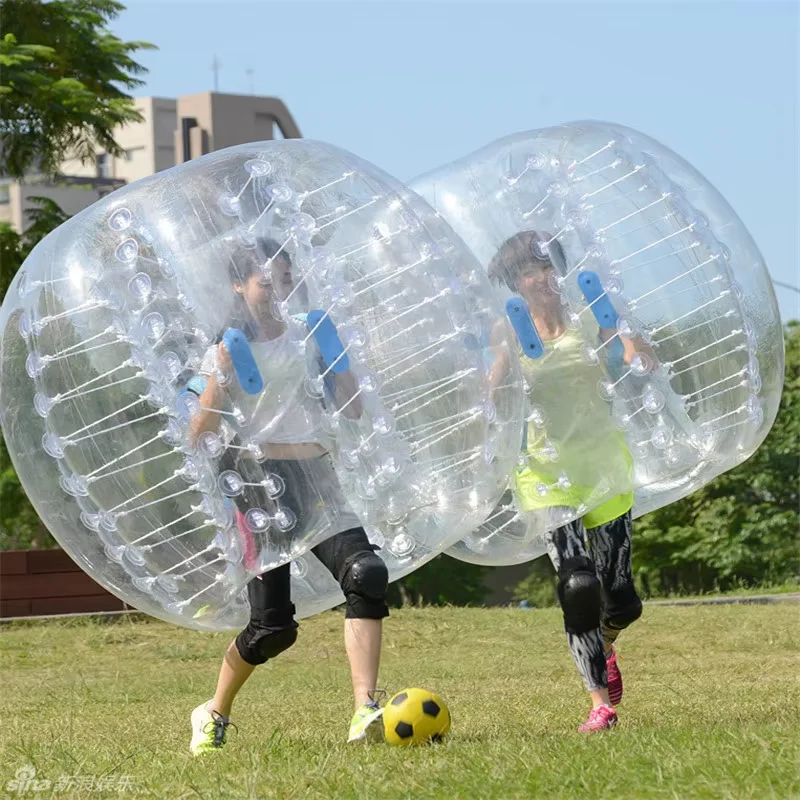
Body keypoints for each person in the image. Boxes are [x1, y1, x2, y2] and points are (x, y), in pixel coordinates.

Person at [186, 237, 389, 754]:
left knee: (366, 573)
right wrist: (221, 378)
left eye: (283, 279)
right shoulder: (227, 346)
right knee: (273, 629)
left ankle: (366, 708)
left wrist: (340, 364)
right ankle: (214, 711)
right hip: (259, 485)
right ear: (239, 285)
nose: (276, 291)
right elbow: (199, 433)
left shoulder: (309, 333)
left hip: (314, 472)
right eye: (263, 282)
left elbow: (355, 411)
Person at [488, 230, 647, 732]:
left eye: (547, 267)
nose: (541, 279)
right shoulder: (509, 331)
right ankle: (599, 704)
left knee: (621, 598)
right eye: (528, 273)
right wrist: (497, 379)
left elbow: (636, 355)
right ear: (515, 284)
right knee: (578, 583)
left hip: (601, 466)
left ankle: (606, 640)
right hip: (546, 474)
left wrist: (633, 348)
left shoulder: (588, 318)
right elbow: (492, 398)